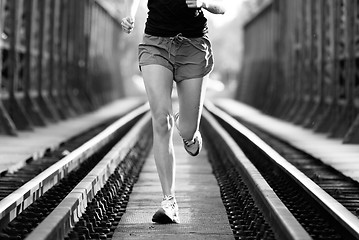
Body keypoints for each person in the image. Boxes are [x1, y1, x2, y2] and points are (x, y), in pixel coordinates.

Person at [121, 0, 226, 224]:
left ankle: (189, 131)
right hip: (155, 44)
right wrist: (129, 14)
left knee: (187, 130)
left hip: (194, 46)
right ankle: (169, 201)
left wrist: (203, 3)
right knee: (161, 120)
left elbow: (222, 6)